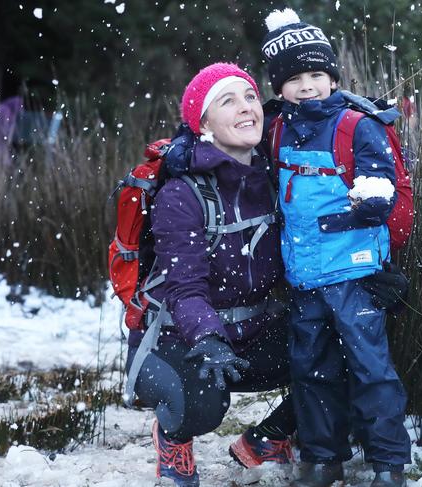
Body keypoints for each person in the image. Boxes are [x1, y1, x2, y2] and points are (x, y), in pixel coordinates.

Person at [259, 8, 412, 487]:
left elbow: (379, 177)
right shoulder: (277, 128)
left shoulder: (355, 124)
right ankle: (323, 459)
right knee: (311, 372)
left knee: (373, 371)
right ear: (279, 87)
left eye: (316, 74)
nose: (307, 86)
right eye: (295, 78)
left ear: (331, 77)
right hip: (304, 278)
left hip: (354, 276)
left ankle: (389, 463)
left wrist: (369, 199)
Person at [125, 63, 295, 487]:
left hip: (256, 328)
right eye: (227, 100)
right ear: (202, 123)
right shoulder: (181, 193)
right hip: (180, 338)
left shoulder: (277, 177)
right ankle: (173, 438)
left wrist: (359, 281)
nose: (246, 108)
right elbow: (184, 290)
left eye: (250, 97)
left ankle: (269, 438)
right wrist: (209, 338)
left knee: (345, 347)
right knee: (201, 402)